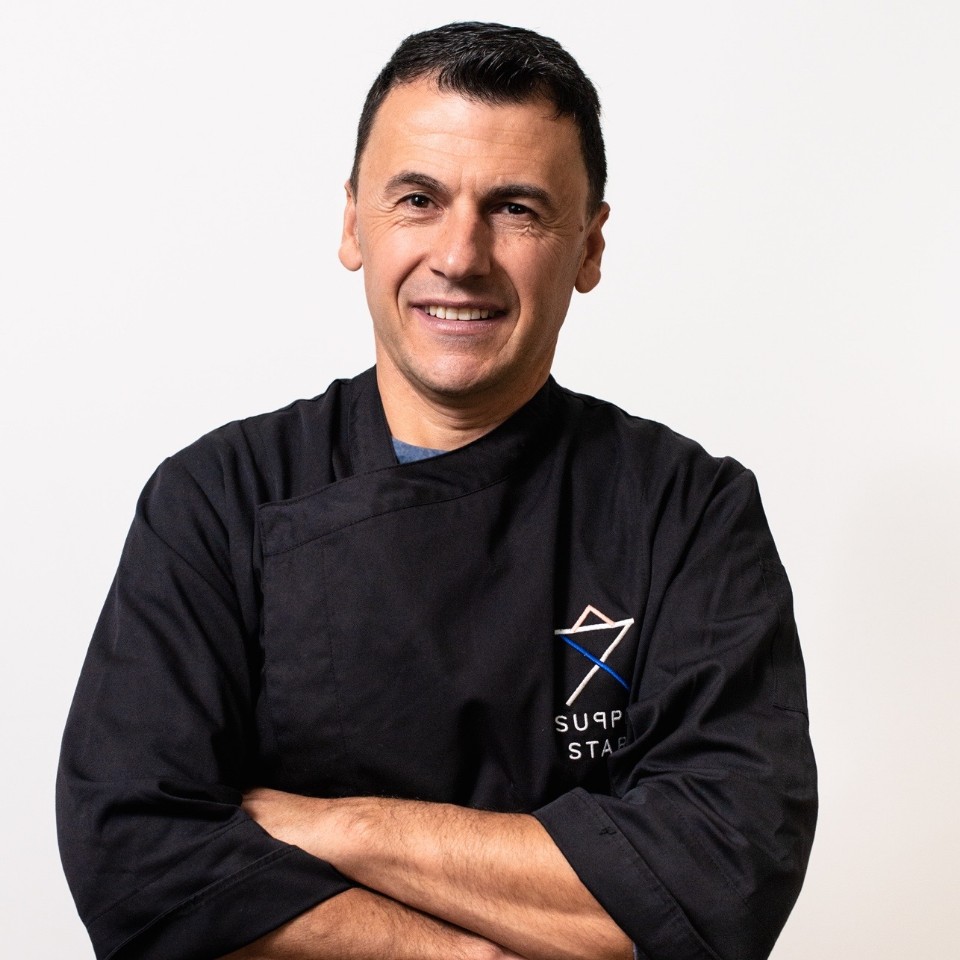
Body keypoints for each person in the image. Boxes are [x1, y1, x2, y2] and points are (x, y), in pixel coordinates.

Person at [57, 21, 816, 960]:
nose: (461, 256)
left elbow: (722, 877)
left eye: (517, 208)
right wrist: (463, 954)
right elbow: (134, 866)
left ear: (589, 246)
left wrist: (343, 826)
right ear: (353, 224)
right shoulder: (215, 500)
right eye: (419, 199)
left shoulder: (688, 513)